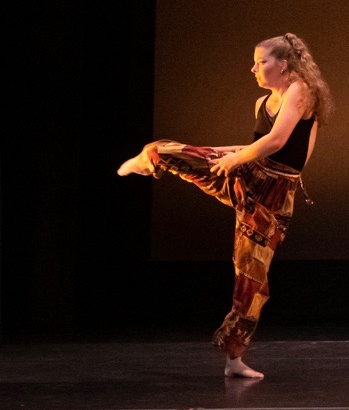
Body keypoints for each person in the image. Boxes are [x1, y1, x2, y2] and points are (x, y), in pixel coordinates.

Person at [117, 33, 332, 378]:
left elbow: (276, 142)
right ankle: (150, 160)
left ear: (284, 65)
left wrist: (233, 159)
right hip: (247, 176)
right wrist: (222, 154)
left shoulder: (301, 90)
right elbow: (254, 145)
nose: (253, 68)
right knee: (164, 148)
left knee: (249, 276)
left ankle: (234, 358)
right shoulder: (263, 102)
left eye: (261, 62)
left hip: (272, 196)